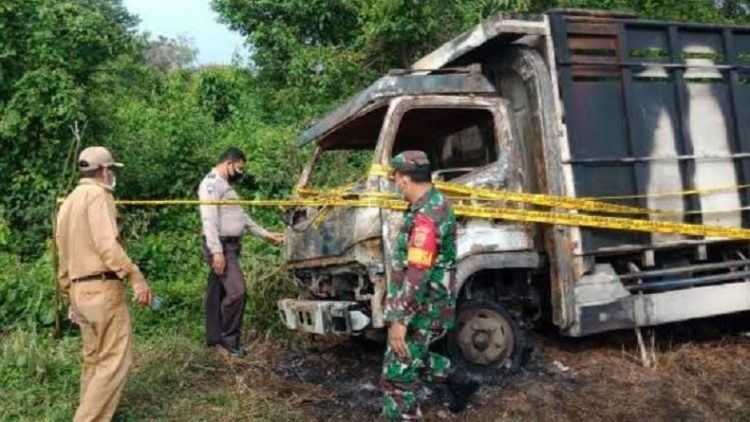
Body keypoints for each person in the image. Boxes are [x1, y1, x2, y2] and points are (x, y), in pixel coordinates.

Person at [56, 146, 153, 422]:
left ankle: (90, 411)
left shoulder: (69, 202)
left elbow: (62, 255)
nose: (113, 176)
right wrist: (136, 276)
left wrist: (70, 295)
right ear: (105, 170)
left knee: (94, 359)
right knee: (113, 361)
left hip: (79, 290)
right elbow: (107, 246)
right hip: (103, 289)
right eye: (112, 170)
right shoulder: (99, 196)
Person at [381, 150, 479, 421]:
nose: (395, 184)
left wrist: (401, 318)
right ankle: (461, 380)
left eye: (395, 178)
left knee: (396, 377)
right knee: (413, 356)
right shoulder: (433, 203)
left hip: (422, 307)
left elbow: (418, 271)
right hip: (426, 304)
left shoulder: (427, 214)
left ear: (404, 179)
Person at [198, 147, 284, 356]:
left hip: (231, 246)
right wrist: (216, 251)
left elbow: (242, 218)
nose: (240, 172)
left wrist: (267, 234)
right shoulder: (211, 184)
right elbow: (208, 218)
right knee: (237, 292)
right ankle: (229, 339)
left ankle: (213, 338)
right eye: (239, 168)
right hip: (221, 246)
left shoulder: (226, 187)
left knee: (216, 293)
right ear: (229, 163)